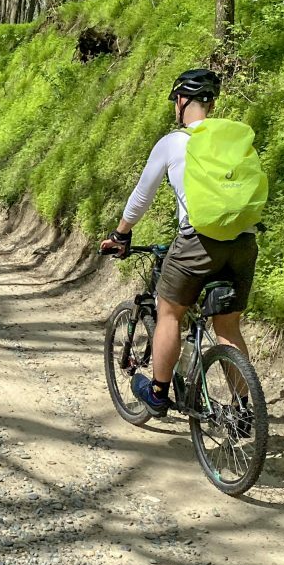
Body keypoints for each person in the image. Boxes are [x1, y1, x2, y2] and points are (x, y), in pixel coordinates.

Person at [99, 68, 259, 420]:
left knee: (169, 312)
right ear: (211, 103)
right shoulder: (232, 141)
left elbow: (142, 196)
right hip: (244, 243)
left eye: (176, 100)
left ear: (181, 101)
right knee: (228, 326)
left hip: (198, 244)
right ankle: (245, 410)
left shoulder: (174, 142)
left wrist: (121, 233)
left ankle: (157, 393)